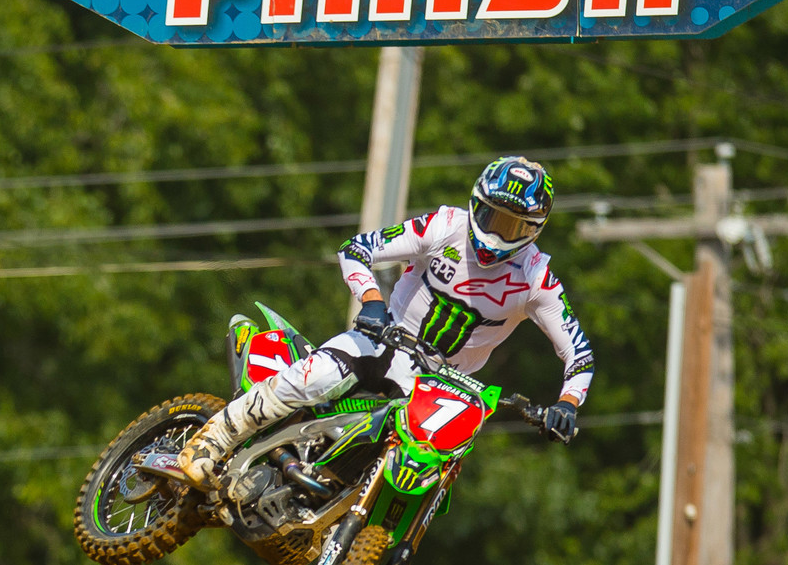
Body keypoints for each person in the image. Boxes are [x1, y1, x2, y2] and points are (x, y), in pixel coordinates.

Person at [177, 155, 591, 488]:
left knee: (439, 467)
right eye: (490, 216)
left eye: (511, 224)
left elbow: (580, 355)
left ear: (533, 230)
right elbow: (356, 249)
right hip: (387, 339)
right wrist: (372, 302)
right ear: (475, 203)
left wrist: (567, 405)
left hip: (445, 388)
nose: (496, 233)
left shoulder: (537, 279)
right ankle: (213, 439)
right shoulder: (445, 225)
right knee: (317, 376)